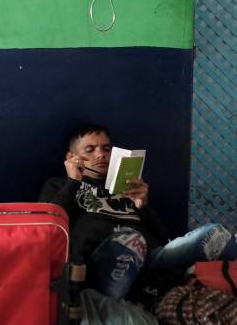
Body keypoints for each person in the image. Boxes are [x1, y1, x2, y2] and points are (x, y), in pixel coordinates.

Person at [38, 123, 167, 298]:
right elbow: (47, 225)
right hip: (102, 262)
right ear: (72, 157)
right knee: (129, 242)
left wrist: (143, 207)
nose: (101, 155)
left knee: (209, 236)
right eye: (90, 150)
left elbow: (162, 240)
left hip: (151, 258)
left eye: (106, 149)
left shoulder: (127, 187)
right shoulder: (59, 185)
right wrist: (73, 182)